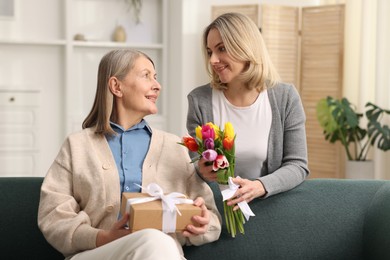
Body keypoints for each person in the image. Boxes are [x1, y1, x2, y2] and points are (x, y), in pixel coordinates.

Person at [38, 49, 221, 260]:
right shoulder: (77, 145)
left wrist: (202, 224)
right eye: (146, 75)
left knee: (157, 242)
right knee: (156, 240)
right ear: (117, 86)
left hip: (158, 253)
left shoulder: (174, 146)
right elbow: (53, 216)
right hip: (94, 254)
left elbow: (212, 218)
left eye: (156, 77)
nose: (157, 85)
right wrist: (103, 237)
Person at [186, 12, 309, 207]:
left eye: (222, 49)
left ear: (245, 47)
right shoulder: (199, 100)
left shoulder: (285, 97)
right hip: (217, 210)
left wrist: (260, 186)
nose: (213, 60)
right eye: (210, 52)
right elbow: (195, 167)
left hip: (270, 206)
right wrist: (203, 170)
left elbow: (298, 165)